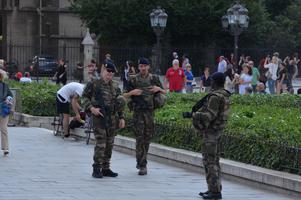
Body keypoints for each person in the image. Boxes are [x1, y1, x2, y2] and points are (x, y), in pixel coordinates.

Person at [82, 61, 126, 178]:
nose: (110, 74)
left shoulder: (115, 85)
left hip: (111, 117)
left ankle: (106, 168)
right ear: (103, 70)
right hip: (99, 116)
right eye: (108, 71)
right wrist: (91, 108)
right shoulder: (94, 83)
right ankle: (96, 168)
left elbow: (119, 102)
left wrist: (121, 117)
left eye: (112, 72)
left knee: (110, 143)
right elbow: (84, 97)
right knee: (101, 143)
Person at [123, 57, 166, 175]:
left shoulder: (154, 78)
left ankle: (142, 159)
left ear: (148, 67)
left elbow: (166, 92)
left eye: (144, 66)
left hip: (150, 112)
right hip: (138, 112)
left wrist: (159, 89)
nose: (142, 68)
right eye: (140, 66)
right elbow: (124, 95)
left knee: (147, 138)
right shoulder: (133, 79)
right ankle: (142, 164)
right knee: (139, 138)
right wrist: (132, 93)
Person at [191, 72, 230, 200]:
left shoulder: (215, 97)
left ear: (215, 81)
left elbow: (209, 116)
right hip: (217, 132)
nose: (210, 82)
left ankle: (215, 192)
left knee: (210, 162)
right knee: (214, 161)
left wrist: (195, 115)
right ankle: (213, 188)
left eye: (212, 80)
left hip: (211, 133)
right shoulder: (224, 94)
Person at [0, 70, 13, 156]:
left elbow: (10, 95)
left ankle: (5, 148)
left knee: (4, 129)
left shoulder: (5, 86)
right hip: (4, 109)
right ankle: (5, 148)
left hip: (3, 110)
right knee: (4, 129)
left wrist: (8, 100)